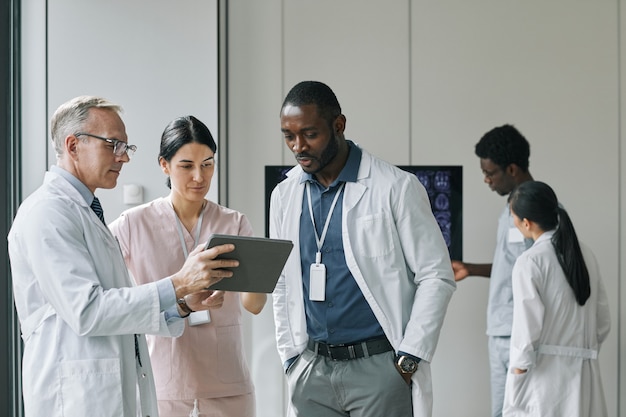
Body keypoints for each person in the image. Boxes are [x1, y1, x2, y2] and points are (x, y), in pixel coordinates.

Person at [8, 96, 239, 417]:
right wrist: (178, 283)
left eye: (125, 147)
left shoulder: (87, 212)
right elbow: (88, 311)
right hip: (75, 398)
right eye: (113, 145)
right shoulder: (48, 213)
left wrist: (183, 304)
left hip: (107, 393)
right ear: (73, 146)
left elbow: (118, 307)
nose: (123, 157)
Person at [269, 81, 456, 417]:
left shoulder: (395, 187)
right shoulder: (284, 195)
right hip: (311, 370)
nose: (298, 146)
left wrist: (410, 355)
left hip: (379, 370)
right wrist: (291, 358)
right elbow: (282, 282)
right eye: (288, 136)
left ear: (338, 125)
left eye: (309, 134)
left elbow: (436, 275)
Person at [109, 115, 267, 417]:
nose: (200, 176)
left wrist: (261, 272)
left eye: (208, 164)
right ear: (164, 165)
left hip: (228, 384)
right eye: (187, 166)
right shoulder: (132, 224)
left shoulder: (234, 223)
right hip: (164, 384)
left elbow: (254, 306)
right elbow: (112, 300)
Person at [503, 181, 610, 416]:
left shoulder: (530, 262)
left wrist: (517, 380)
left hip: (545, 382)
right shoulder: (586, 254)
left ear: (526, 222)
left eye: (513, 217)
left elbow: (527, 332)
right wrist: (579, 352)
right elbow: (603, 323)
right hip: (586, 378)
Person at [451, 124, 534, 417]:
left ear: (511, 169)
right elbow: (513, 267)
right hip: (501, 330)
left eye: (490, 173)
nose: (486, 180)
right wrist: (470, 269)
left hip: (520, 332)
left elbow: (540, 274)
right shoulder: (510, 209)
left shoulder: (536, 212)